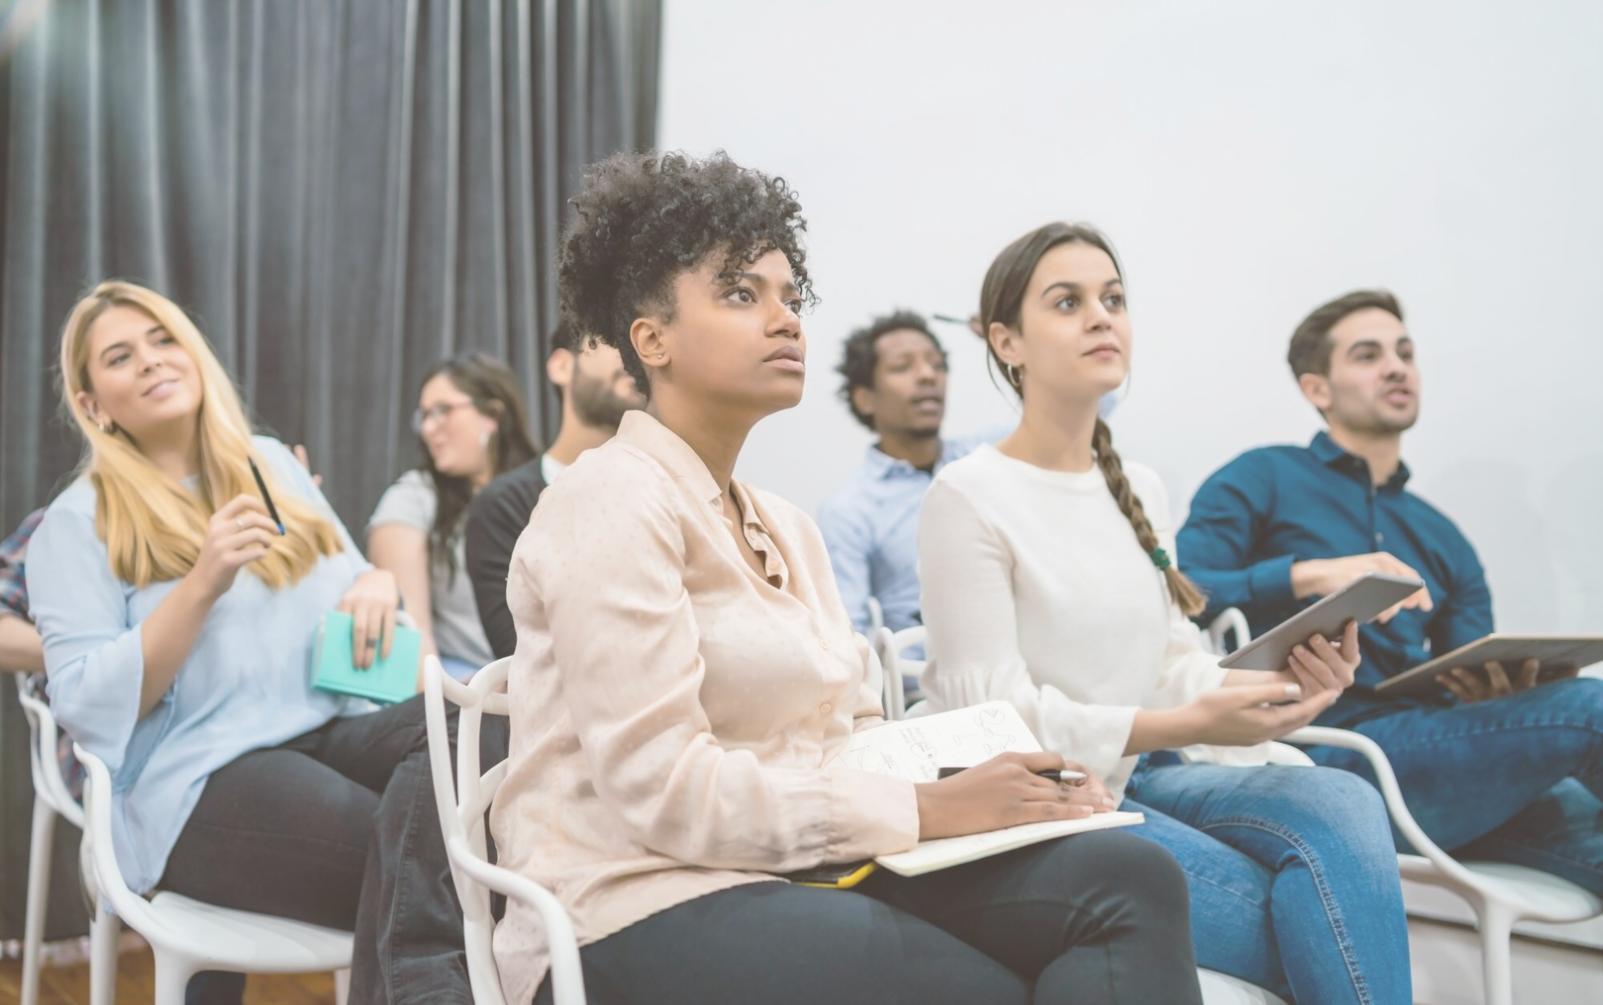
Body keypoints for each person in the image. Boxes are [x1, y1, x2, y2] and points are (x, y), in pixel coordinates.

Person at [489, 152, 1205, 1005]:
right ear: (652, 341)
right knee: (994, 988)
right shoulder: (607, 500)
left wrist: (998, 776)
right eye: (740, 294)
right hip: (634, 895)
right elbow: (663, 790)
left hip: (813, 864)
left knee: (1130, 874)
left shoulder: (786, 527)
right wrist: (928, 810)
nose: (785, 318)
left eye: (789, 295)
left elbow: (854, 725)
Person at [918, 223, 1412, 1004]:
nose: (1101, 316)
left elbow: (1169, 656)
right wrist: (1188, 725)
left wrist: (1271, 687)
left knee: (1344, 797)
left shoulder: (1138, 486)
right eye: (1067, 301)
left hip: (1151, 772)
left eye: (1113, 298)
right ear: (1006, 341)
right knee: (1324, 914)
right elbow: (992, 716)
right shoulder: (966, 496)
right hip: (1052, 799)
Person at [25, 280, 476, 1004]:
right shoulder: (77, 523)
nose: (149, 360)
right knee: (437, 855)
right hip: (199, 774)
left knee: (476, 730)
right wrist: (202, 580)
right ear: (91, 404)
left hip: (326, 727)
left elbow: (350, 577)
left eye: (164, 338)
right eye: (119, 356)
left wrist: (377, 585)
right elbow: (84, 704)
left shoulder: (271, 465)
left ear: (195, 353)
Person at [1178, 288, 1603, 895]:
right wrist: (1310, 574)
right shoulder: (1262, 476)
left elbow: (1467, 664)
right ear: (1316, 388)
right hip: (1320, 754)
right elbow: (1181, 590)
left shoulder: (1440, 535)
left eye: (1405, 352)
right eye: (1368, 355)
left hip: (1440, 761)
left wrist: (1497, 689)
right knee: (1590, 708)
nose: (1397, 366)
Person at [465, 319, 642, 659]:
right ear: (562, 365)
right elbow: (523, 656)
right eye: (616, 340)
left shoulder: (669, 491)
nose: (635, 357)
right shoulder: (505, 506)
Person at [368, 353, 538, 679]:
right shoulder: (413, 497)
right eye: (424, 416)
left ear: (493, 415)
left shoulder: (543, 489)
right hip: (468, 694)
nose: (430, 428)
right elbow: (413, 636)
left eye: (443, 411)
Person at [817, 310, 983, 637]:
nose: (927, 376)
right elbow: (850, 638)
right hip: (919, 683)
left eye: (937, 365)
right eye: (902, 366)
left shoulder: (984, 457)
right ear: (865, 399)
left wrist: (1015, 336)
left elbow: (1089, 406)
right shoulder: (849, 511)